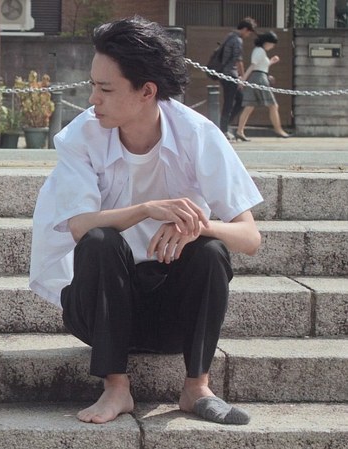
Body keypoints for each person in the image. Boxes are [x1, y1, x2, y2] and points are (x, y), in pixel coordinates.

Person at [29, 17, 263, 425]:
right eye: (92, 85)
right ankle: (116, 387)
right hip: (98, 308)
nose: (93, 99)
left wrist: (197, 225)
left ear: (146, 92)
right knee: (100, 239)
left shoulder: (196, 134)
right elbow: (79, 226)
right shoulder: (81, 136)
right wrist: (146, 209)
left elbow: (250, 237)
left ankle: (197, 387)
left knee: (210, 249)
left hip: (170, 314)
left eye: (105, 89)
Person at [235, 31, 291, 140]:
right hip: (260, 79)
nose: (272, 46)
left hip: (257, 77)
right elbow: (253, 66)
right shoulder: (260, 51)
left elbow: (259, 66)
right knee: (273, 105)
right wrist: (243, 80)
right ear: (267, 42)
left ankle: (239, 131)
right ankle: (278, 130)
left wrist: (271, 62)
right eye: (272, 44)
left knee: (249, 106)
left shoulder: (259, 51)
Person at [218, 17, 257, 140]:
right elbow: (238, 60)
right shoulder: (237, 40)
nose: (248, 35)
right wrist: (243, 78)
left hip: (226, 74)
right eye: (249, 32)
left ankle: (224, 126)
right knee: (230, 103)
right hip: (230, 75)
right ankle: (223, 130)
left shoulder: (230, 36)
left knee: (239, 100)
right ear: (245, 29)